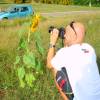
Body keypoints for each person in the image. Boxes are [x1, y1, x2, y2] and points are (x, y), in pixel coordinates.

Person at [47, 21, 100, 100]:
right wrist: (67, 41)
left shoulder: (64, 53)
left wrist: (52, 42)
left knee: (55, 68)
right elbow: (72, 53)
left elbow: (49, 65)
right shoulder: (89, 48)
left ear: (74, 36)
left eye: (66, 33)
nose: (64, 35)